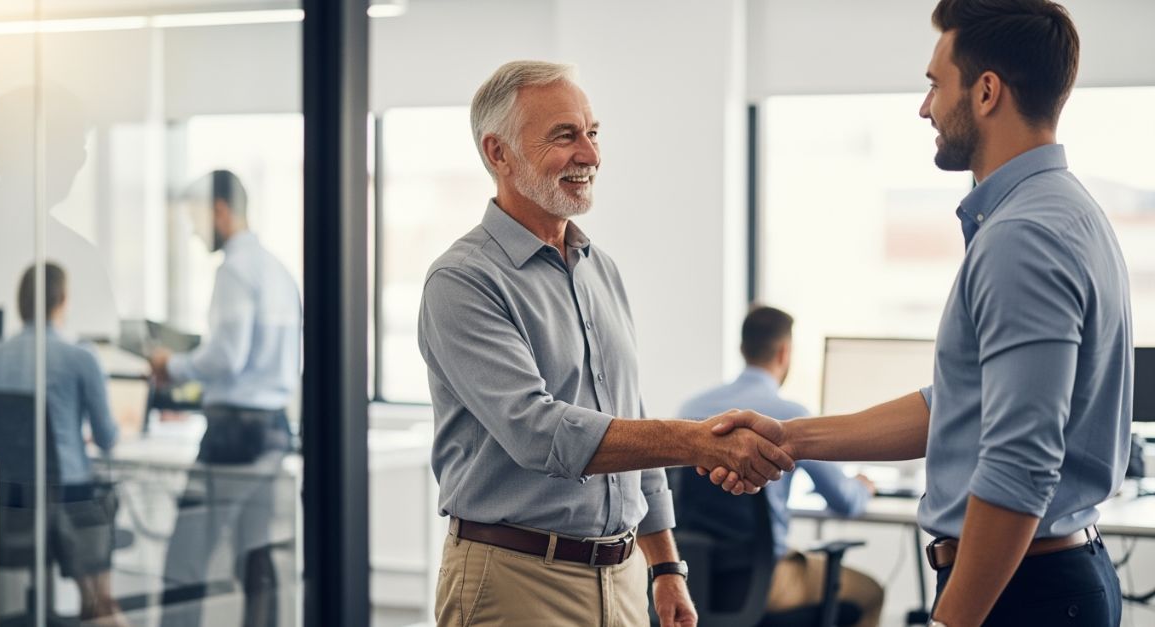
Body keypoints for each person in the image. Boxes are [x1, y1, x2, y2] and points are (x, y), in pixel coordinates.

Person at [706, 2, 1131, 626]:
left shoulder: (1024, 236)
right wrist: (790, 438)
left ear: (986, 92)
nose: (924, 106)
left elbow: (1020, 462)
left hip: (1022, 593)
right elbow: (958, 405)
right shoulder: (1059, 212)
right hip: (1033, 582)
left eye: (935, 83)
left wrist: (947, 622)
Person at [417, 60, 793, 627]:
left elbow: (628, 420)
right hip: (516, 581)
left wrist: (666, 567)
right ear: (499, 154)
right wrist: (694, 443)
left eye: (592, 133)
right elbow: (537, 431)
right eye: (565, 136)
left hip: (621, 578)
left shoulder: (601, 271)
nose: (590, 155)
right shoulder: (463, 281)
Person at [149, 170, 301, 627]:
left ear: (220, 210)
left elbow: (227, 357)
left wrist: (170, 366)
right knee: (257, 557)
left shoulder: (234, 269)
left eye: (196, 218)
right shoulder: (277, 270)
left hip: (233, 433)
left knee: (185, 559)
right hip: (273, 428)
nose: (196, 231)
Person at [678, 305, 882, 627]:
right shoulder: (791, 415)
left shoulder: (689, 409)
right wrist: (862, 486)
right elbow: (844, 501)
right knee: (871, 592)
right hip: (764, 580)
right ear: (785, 352)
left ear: (743, 348)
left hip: (697, 576)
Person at [0, 263, 126, 625]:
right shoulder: (80, 357)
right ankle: (97, 604)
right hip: (66, 499)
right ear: (62, 300)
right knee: (102, 501)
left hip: (8, 503)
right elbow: (107, 438)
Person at [0, 85, 119, 341]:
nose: (80, 159)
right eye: (72, 145)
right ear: (26, 150)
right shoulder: (79, 258)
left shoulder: (81, 257)